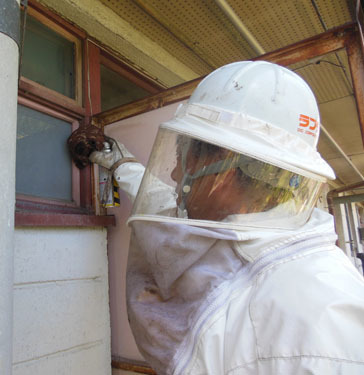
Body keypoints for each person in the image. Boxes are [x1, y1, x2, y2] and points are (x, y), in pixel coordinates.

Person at [90, 61, 364, 374]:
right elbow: (165, 207)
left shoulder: (324, 322)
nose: (177, 174)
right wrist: (122, 165)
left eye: (183, 159)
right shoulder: (246, 233)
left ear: (225, 165)